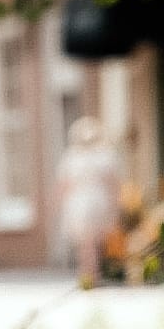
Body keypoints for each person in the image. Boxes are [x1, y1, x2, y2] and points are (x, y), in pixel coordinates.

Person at [56, 117, 121, 289]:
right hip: (91, 201)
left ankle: (89, 274)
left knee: (88, 243)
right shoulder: (100, 156)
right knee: (89, 242)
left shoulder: (78, 157)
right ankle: (91, 274)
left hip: (86, 202)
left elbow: (64, 185)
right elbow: (112, 184)